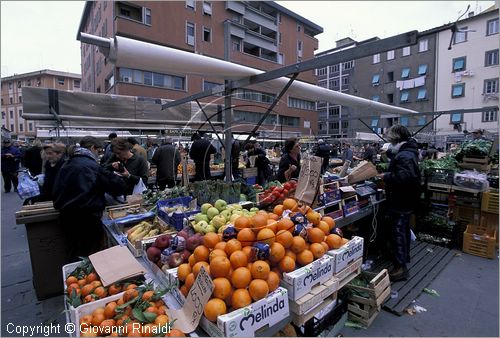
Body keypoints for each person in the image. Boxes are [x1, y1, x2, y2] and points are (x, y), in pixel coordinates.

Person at [52, 136, 127, 262]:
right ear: (93, 148)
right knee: (90, 256)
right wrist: (122, 177)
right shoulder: (91, 165)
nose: (98, 155)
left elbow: (55, 192)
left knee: (74, 254)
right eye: (98, 151)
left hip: (66, 218)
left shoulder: (66, 164)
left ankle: (75, 279)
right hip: (87, 220)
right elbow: (117, 186)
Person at [377, 125, 421, 282]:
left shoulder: (404, 156)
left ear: (396, 138)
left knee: (398, 232)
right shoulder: (409, 152)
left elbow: (404, 177)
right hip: (406, 199)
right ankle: (402, 259)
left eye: (390, 138)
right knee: (403, 230)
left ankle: (400, 267)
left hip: (401, 200)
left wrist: (387, 176)